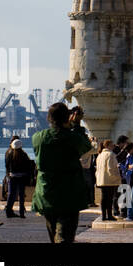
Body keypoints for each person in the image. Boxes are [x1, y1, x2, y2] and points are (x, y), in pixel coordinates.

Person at [31, 103, 94, 242]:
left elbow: (58, 136)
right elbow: (85, 146)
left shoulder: (38, 137)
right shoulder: (73, 138)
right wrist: (76, 125)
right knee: (64, 236)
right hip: (68, 194)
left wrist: (67, 125)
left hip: (46, 194)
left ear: (49, 118)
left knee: (54, 234)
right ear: (67, 118)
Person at [4, 136, 34, 219]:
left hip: (12, 177)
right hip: (22, 177)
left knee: (11, 194)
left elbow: (7, 165)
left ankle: (8, 210)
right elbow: (28, 165)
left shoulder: (9, 154)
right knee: (21, 195)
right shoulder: (24, 155)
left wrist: (9, 174)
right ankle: (21, 212)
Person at [95, 141, 122, 221]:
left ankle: (103, 215)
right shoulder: (111, 154)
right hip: (109, 180)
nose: (113, 146)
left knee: (104, 197)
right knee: (109, 198)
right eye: (112, 145)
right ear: (108, 146)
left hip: (101, 179)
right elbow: (111, 168)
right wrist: (117, 177)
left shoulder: (100, 155)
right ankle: (109, 215)